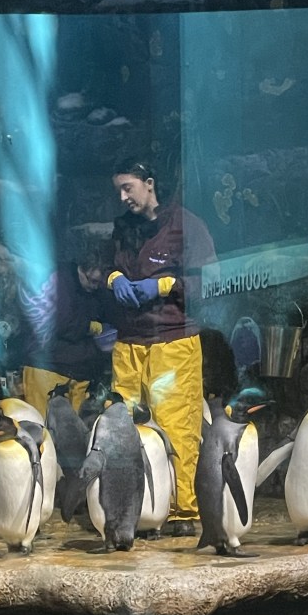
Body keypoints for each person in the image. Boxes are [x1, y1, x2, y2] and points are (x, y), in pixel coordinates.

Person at [106, 158, 217, 536]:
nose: (122, 197)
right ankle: (133, 508)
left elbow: (209, 285)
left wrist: (166, 285)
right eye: (118, 190)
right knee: (123, 429)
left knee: (177, 427)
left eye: (128, 188)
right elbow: (105, 263)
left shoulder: (186, 227)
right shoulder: (124, 228)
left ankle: (182, 510)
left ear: (149, 183)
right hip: (129, 343)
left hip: (173, 342)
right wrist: (114, 276)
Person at [20, 246, 113, 420]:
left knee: (75, 434)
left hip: (79, 370)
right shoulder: (58, 280)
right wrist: (90, 327)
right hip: (47, 366)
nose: (94, 287)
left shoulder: (95, 293)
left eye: (97, 283)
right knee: (43, 426)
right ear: (81, 269)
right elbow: (59, 321)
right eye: (91, 280)